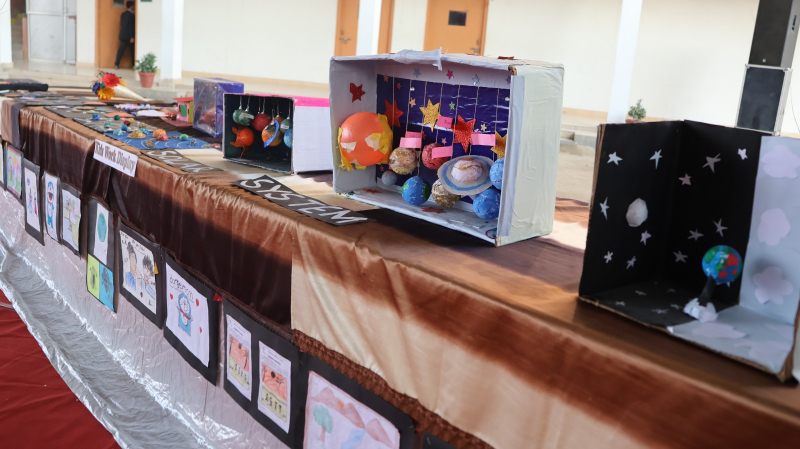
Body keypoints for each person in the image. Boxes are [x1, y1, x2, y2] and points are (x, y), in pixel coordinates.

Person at [114, 1, 135, 69]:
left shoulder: (123, 14)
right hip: (129, 36)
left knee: (121, 51)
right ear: (131, 6)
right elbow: (131, 26)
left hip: (122, 35)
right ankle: (134, 65)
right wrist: (132, 37)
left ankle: (116, 64)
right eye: (133, 5)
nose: (134, 7)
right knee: (133, 51)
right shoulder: (131, 15)